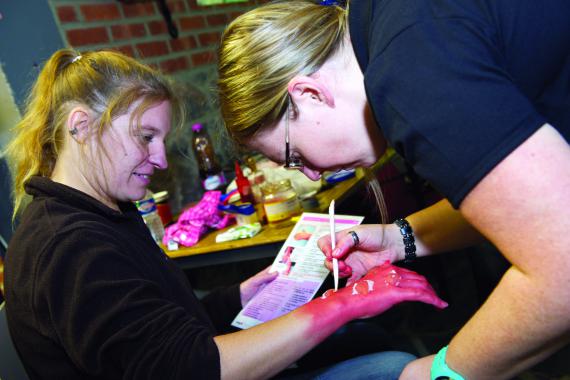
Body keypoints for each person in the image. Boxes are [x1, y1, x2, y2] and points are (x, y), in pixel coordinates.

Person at [3, 48, 447, 380]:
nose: (159, 159)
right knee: (391, 365)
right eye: (145, 136)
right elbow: (186, 367)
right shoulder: (68, 246)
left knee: (365, 340)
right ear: (80, 126)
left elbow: (156, 322)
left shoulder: (103, 212)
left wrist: (239, 296)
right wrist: (343, 303)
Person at [216, 1, 570, 379]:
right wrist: (396, 238)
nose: (313, 176)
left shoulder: (405, 70)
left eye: (296, 156)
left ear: (309, 94)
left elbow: (561, 264)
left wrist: (439, 372)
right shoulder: (398, 24)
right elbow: (527, 203)